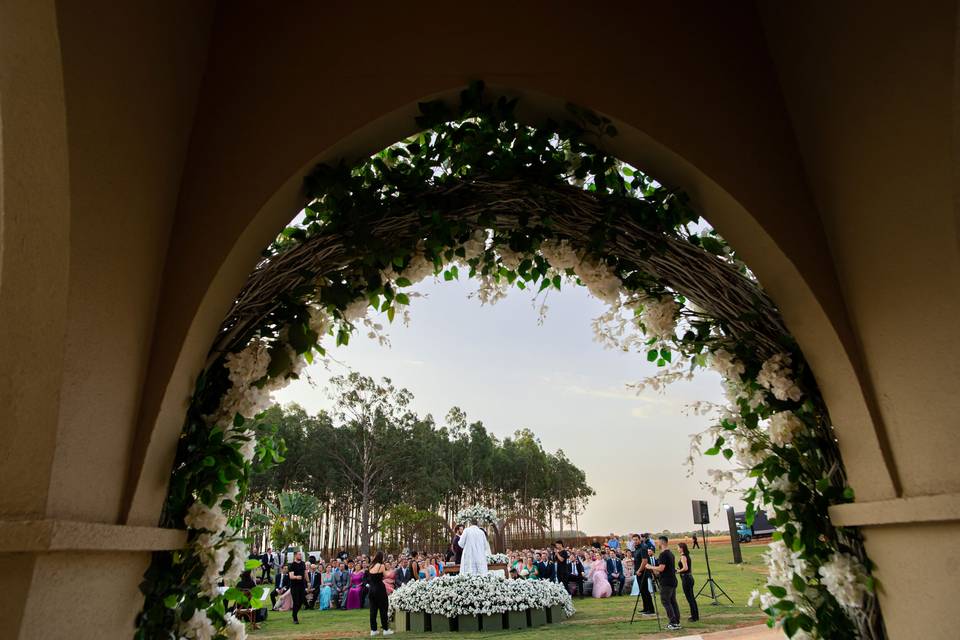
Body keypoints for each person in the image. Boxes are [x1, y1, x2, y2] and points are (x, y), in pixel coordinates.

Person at [646, 536, 681, 630]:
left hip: (666, 582)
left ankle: (673, 623)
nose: (656, 544)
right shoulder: (671, 554)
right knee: (673, 601)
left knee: (665, 601)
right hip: (672, 580)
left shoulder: (663, 554)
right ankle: (676, 622)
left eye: (658, 542)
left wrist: (650, 567)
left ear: (662, 543)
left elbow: (661, 568)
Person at [366, 552, 394, 636]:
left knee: (373, 610)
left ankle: (373, 630)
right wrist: (391, 570)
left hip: (371, 589)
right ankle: (385, 629)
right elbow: (386, 575)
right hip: (379, 589)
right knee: (383, 609)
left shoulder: (371, 565)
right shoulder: (381, 566)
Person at [631, 535, 655, 615]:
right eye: (634, 540)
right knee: (642, 591)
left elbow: (644, 561)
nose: (635, 541)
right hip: (638, 572)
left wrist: (639, 570)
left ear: (639, 539)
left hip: (643, 572)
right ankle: (645, 608)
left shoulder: (643, 547)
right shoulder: (637, 548)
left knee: (645, 591)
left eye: (636, 539)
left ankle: (651, 609)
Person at [677, 542, 699, 622]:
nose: (677, 549)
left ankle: (694, 617)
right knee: (692, 597)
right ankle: (695, 615)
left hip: (686, 578)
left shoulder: (683, 557)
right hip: (689, 577)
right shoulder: (687, 556)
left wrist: (678, 571)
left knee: (689, 598)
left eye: (678, 547)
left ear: (682, 548)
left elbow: (685, 568)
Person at [288, 551, 308, 624]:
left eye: (301, 555)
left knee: (301, 602)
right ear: (295, 555)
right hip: (294, 586)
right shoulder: (292, 565)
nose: (300, 556)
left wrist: (308, 582)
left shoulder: (303, 563)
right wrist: (296, 577)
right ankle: (295, 618)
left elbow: (305, 573)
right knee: (296, 602)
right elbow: (291, 576)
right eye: (299, 554)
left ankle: (294, 614)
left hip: (302, 586)